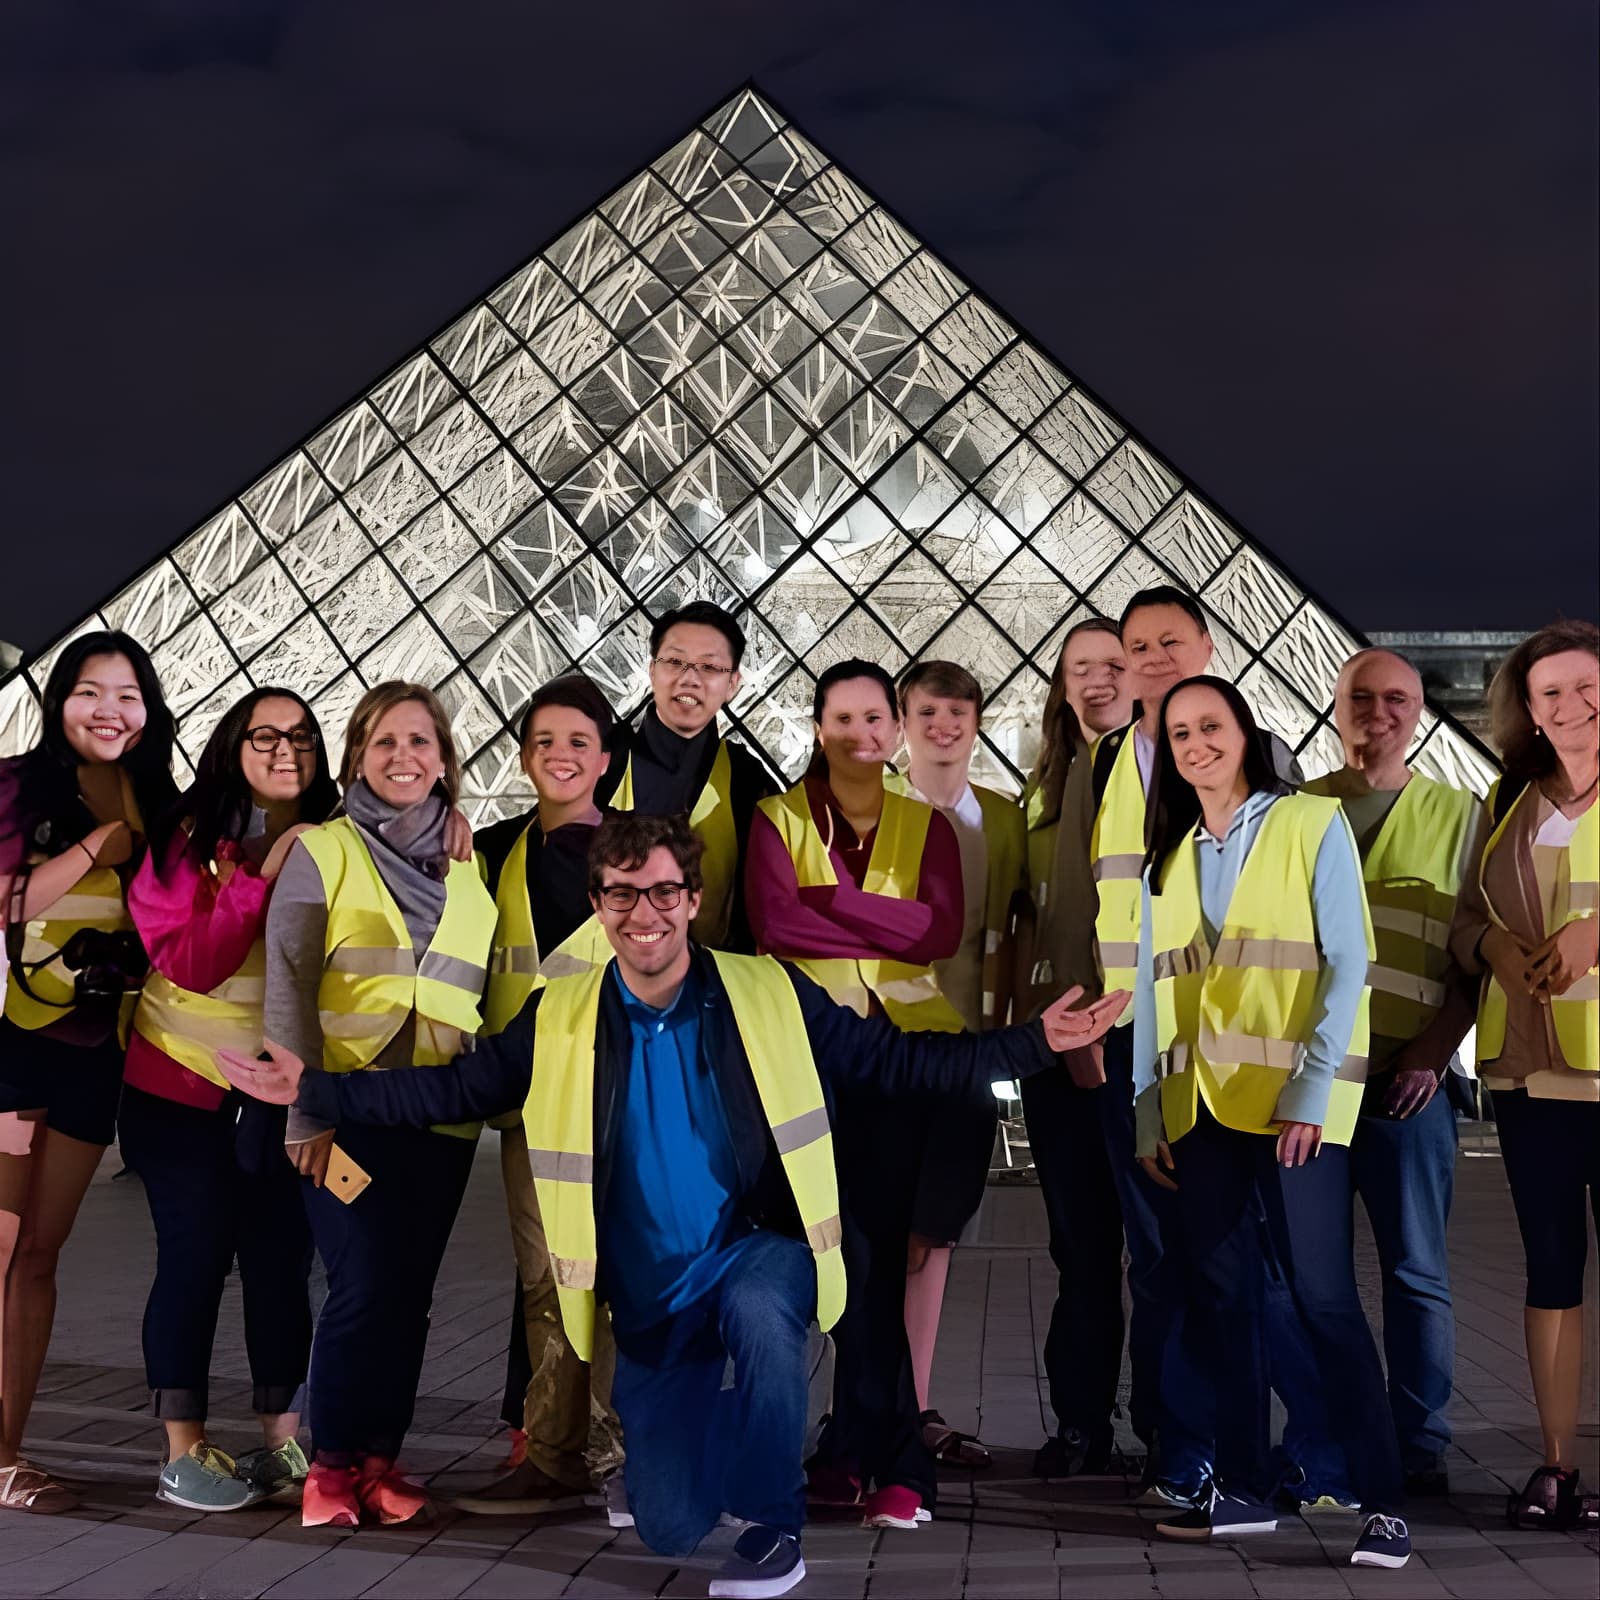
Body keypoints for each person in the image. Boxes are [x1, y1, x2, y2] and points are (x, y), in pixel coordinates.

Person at [215, 811, 1128, 1600]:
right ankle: (738, 1447)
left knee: (770, 1319)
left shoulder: (765, 991)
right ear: (598, 905)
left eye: (661, 893)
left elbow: (904, 1064)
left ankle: (776, 1529)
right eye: (620, 894)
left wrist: (1030, 1046)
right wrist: (321, 1091)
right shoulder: (561, 1013)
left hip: (755, 1249)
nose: (642, 913)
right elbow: (451, 1088)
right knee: (667, 1523)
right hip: (648, 1299)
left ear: (692, 899)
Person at [1133, 675, 1410, 1569]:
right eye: (1179, 734)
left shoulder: (1307, 824)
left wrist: (1315, 1096)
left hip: (1293, 1111)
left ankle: (1384, 1502)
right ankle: (1246, 1489)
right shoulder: (1167, 858)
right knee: (1228, 1305)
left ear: (1246, 735)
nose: (1195, 744)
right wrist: (1149, 1113)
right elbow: (1151, 996)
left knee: (1326, 1302)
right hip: (1201, 1113)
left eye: (1210, 726)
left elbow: (1347, 964)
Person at [264, 680, 499, 1529]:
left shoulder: (471, 861)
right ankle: (329, 1463)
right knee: (360, 1284)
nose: (405, 758)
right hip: (346, 1109)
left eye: (421, 743)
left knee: (410, 1291)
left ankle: (379, 1459)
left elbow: (482, 986)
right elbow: (288, 987)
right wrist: (306, 1116)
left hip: (438, 1116)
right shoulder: (321, 850)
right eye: (385, 742)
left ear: (445, 760)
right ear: (358, 754)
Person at [745, 659, 964, 1530]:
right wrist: (882, 920)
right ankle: (870, 1453)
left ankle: (880, 1456)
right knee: (844, 1264)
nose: (861, 734)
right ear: (817, 724)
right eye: (844, 718)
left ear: (896, 730)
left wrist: (825, 900)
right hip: (813, 1060)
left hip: (907, 1068)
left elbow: (938, 932)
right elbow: (771, 922)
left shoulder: (929, 825)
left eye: (876, 718)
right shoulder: (776, 817)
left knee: (875, 1261)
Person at [119, 687, 337, 1511]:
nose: (287, 750)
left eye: (304, 737)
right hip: (181, 1091)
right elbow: (195, 961)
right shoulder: (184, 842)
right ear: (229, 747)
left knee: (284, 1265)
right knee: (197, 1257)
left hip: (282, 1095)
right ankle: (183, 1448)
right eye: (266, 736)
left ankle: (284, 1443)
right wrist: (261, 874)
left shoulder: (340, 839)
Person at [1291, 650, 1483, 1499]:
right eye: (1361, 698)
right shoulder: (1293, 812)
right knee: (1315, 1276)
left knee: (1416, 1270)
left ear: (1419, 712)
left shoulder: (1462, 816)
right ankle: (1333, 1432)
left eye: (1396, 699)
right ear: (1336, 708)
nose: (1380, 711)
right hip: (1311, 1082)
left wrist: (1438, 1049)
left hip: (1409, 1077)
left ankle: (1420, 1438)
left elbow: (1474, 959)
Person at [0, 631, 176, 1515]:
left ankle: (7, 1451)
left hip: (94, 1051)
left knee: (39, 1253)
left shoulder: (162, 800)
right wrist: (91, 849)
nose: (110, 710)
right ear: (57, 699)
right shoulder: (11, 785)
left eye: (128, 694)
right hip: (11, 1049)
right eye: (89, 691)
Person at [1450, 619, 1598, 1531]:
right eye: (1551, 694)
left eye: (1586, 685)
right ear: (1530, 713)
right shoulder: (1508, 796)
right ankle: (1556, 1466)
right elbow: (1466, 918)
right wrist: (1494, 944)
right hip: (1530, 1072)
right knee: (1550, 1267)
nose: (1574, 705)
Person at [466, 673, 623, 1518]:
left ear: (605, 756)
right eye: (542, 742)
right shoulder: (489, 849)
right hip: (531, 1100)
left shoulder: (641, 849)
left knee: (612, 1277)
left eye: (577, 742)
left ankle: (597, 1441)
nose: (559, 756)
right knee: (544, 1276)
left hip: (619, 1100)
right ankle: (565, 1446)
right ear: (523, 756)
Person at [891, 659, 1029, 1468]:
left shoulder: (1007, 820)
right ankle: (875, 1403)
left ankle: (912, 1402)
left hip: (969, 1047)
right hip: (886, 1049)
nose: (945, 726)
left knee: (936, 1232)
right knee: (879, 1230)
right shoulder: (871, 809)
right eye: (929, 711)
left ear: (978, 722)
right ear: (905, 720)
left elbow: (1013, 934)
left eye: (958, 713)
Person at [1013, 617, 1137, 1478]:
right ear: (1061, 686)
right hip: (1056, 1048)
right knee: (1081, 1249)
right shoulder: (1039, 791)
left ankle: (1175, 1429)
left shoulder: (1161, 772)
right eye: (1079, 668)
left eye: (1111, 664)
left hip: (1135, 1044)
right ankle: (1083, 1422)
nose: (1096, 679)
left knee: (1163, 1252)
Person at [600, 601, 778, 950]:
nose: (690, 678)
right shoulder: (603, 757)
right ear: (652, 670)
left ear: (732, 684)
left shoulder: (746, 778)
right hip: (604, 979)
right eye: (675, 661)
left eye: (710, 666)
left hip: (709, 983)